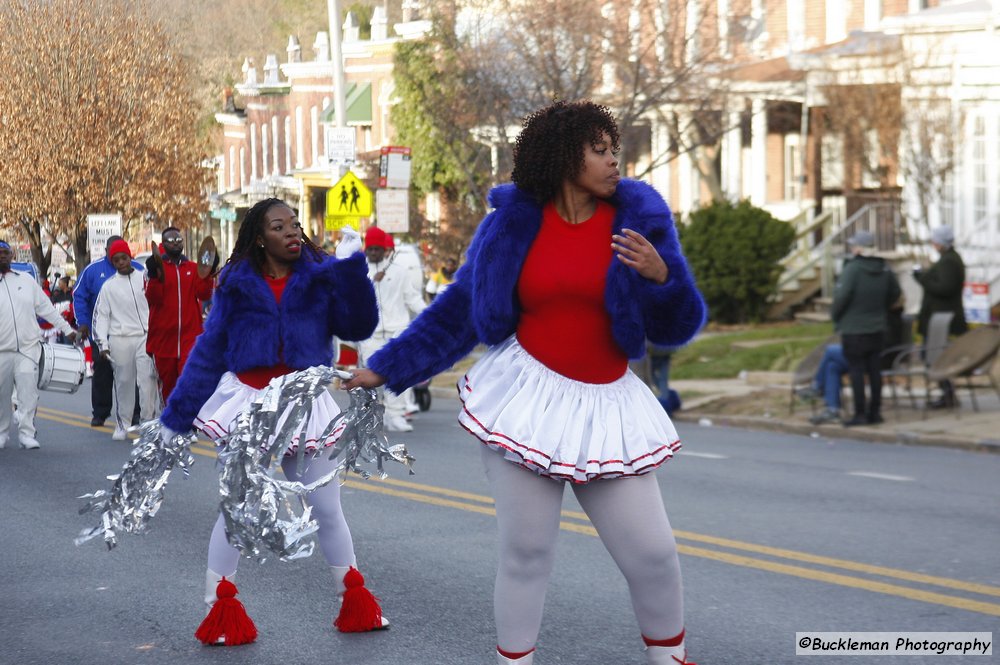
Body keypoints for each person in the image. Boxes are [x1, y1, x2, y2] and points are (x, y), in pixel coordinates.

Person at [344, 100, 706, 665]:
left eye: (616, 150)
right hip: (526, 399)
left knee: (655, 554)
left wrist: (664, 278)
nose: (616, 161)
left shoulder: (641, 219)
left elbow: (677, 325)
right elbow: (462, 309)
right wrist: (386, 369)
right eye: (601, 150)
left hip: (607, 404)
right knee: (527, 552)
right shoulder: (512, 224)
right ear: (565, 158)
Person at [157, 198, 386, 645]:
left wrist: (353, 268)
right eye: (280, 227)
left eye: (296, 225)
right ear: (260, 238)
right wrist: (177, 415)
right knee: (239, 510)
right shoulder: (236, 285)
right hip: (251, 407)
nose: (292, 232)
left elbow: (359, 325)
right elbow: (209, 350)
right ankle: (220, 608)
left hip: (307, 407)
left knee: (327, 509)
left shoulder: (320, 278)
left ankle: (354, 599)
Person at [0, 240, 77, 450]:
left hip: (27, 348)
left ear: (12, 255)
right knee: (2, 394)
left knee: (28, 392)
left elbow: (47, 309)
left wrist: (68, 330)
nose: (3, 256)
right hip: (1, 351)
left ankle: (27, 433)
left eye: (5, 252)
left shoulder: (25, 280)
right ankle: (2, 433)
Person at [358, 226, 426, 432]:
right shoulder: (360, 273)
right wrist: (371, 281)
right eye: (370, 250)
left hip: (397, 331)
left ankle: (395, 415)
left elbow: (412, 298)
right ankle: (369, 414)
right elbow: (353, 300)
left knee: (398, 374)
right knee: (370, 375)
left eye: (378, 249)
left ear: (384, 249)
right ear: (366, 250)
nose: (374, 253)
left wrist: (430, 316)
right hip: (370, 334)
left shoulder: (399, 272)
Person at [830, 231, 902, 427]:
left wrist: (836, 316)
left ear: (860, 248)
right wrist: (880, 308)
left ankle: (860, 413)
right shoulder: (884, 268)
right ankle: (875, 411)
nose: (852, 249)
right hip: (877, 327)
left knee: (856, 371)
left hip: (854, 329)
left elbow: (841, 297)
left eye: (854, 246)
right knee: (874, 371)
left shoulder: (853, 269)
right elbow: (895, 293)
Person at [73, 235, 144, 427]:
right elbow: (79, 296)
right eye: (114, 254)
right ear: (107, 252)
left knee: (132, 376)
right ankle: (101, 412)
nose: (119, 260)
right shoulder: (92, 270)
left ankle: (135, 413)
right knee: (103, 373)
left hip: (133, 333)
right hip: (102, 332)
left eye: (123, 255)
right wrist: (83, 322)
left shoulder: (139, 270)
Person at [93, 240, 159, 440]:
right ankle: (123, 424)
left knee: (147, 380)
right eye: (116, 260)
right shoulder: (108, 287)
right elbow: (101, 316)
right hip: (120, 339)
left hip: (146, 336)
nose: (121, 262)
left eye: (124, 258)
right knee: (123, 382)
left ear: (130, 257)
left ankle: (148, 423)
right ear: (112, 262)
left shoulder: (145, 279)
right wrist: (102, 344)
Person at [144, 226, 216, 402]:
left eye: (179, 240)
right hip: (163, 339)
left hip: (189, 337)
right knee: (168, 385)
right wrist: (154, 275)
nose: (176, 244)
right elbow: (153, 298)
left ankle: (186, 421)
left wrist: (208, 273)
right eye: (171, 240)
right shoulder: (155, 268)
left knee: (189, 380)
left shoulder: (193, 268)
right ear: (163, 244)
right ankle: (169, 422)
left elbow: (204, 294)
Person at [913, 225, 968, 408]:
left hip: (942, 320)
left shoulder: (949, 262)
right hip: (938, 318)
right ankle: (947, 394)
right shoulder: (948, 260)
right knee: (932, 357)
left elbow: (944, 288)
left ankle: (948, 394)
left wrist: (922, 278)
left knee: (935, 358)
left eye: (935, 240)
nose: (933, 243)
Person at [803, 344, 849, 425]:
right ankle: (832, 410)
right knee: (832, 366)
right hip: (856, 352)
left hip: (868, 357)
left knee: (831, 350)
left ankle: (817, 386)